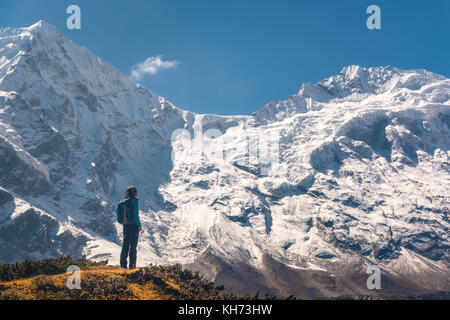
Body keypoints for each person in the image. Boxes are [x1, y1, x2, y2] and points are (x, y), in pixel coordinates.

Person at [120, 186, 142, 269]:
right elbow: (136, 215)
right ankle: (132, 265)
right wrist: (139, 225)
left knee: (125, 245)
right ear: (134, 193)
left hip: (126, 225)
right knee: (133, 246)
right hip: (133, 226)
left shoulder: (123, 202)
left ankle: (123, 265)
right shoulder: (134, 201)